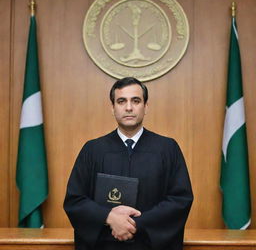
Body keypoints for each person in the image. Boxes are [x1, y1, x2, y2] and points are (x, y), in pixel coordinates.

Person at [64, 77, 193, 250]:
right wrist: (109, 217)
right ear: (112, 108)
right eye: (121, 101)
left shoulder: (167, 149)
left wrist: (135, 224)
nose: (129, 107)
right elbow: (75, 200)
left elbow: (179, 200)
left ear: (146, 107)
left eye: (136, 100)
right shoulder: (93, 150)